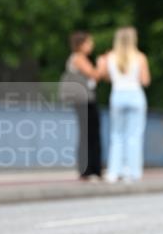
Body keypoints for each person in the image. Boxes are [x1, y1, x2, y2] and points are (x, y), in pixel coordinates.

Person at [98, 27, 151, 183]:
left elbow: (107, 78)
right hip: (135, 95)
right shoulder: (140, 57)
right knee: (134, 136)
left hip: (118, 95)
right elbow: (145, 81)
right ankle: (132, 172)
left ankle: (114, 172)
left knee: (117, 136)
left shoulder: (110, 57)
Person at [64, 31, 102, 180]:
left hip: (84, 100)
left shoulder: (80, 58)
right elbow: (95, 75)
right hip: (84, 101)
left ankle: (88, 169)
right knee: (90, 134)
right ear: (81, 45)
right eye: (89, 42)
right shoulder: (78, 58)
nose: (91, 45)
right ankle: (90, 169)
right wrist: (101, 64)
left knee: (88, 134)